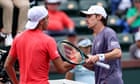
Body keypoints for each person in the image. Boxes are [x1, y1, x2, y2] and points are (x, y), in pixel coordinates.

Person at [4, 6, 74, 84]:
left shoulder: (18, 38)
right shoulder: (48, 41)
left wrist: (16, 83)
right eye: (47, 18)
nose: (48, 21)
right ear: (41, 21)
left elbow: (7, 65)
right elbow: (61, 69)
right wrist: (75, 61)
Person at [80, 5, 124, 84]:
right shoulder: (96, 38)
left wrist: (98, 57)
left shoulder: (109, 32)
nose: (86, 20)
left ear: (99, 17)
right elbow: (95, 67)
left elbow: (118, 53)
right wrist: (82, 62)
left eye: (89, 16)